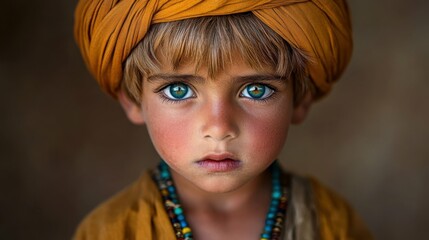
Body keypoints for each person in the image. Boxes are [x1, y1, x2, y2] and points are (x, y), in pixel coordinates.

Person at [73, 0, 373, 239]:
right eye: (179, 91)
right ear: (133, 101)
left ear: (300, 100)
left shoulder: (332, 223)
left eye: (256, 90)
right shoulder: (110, 231)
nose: (219, 128)